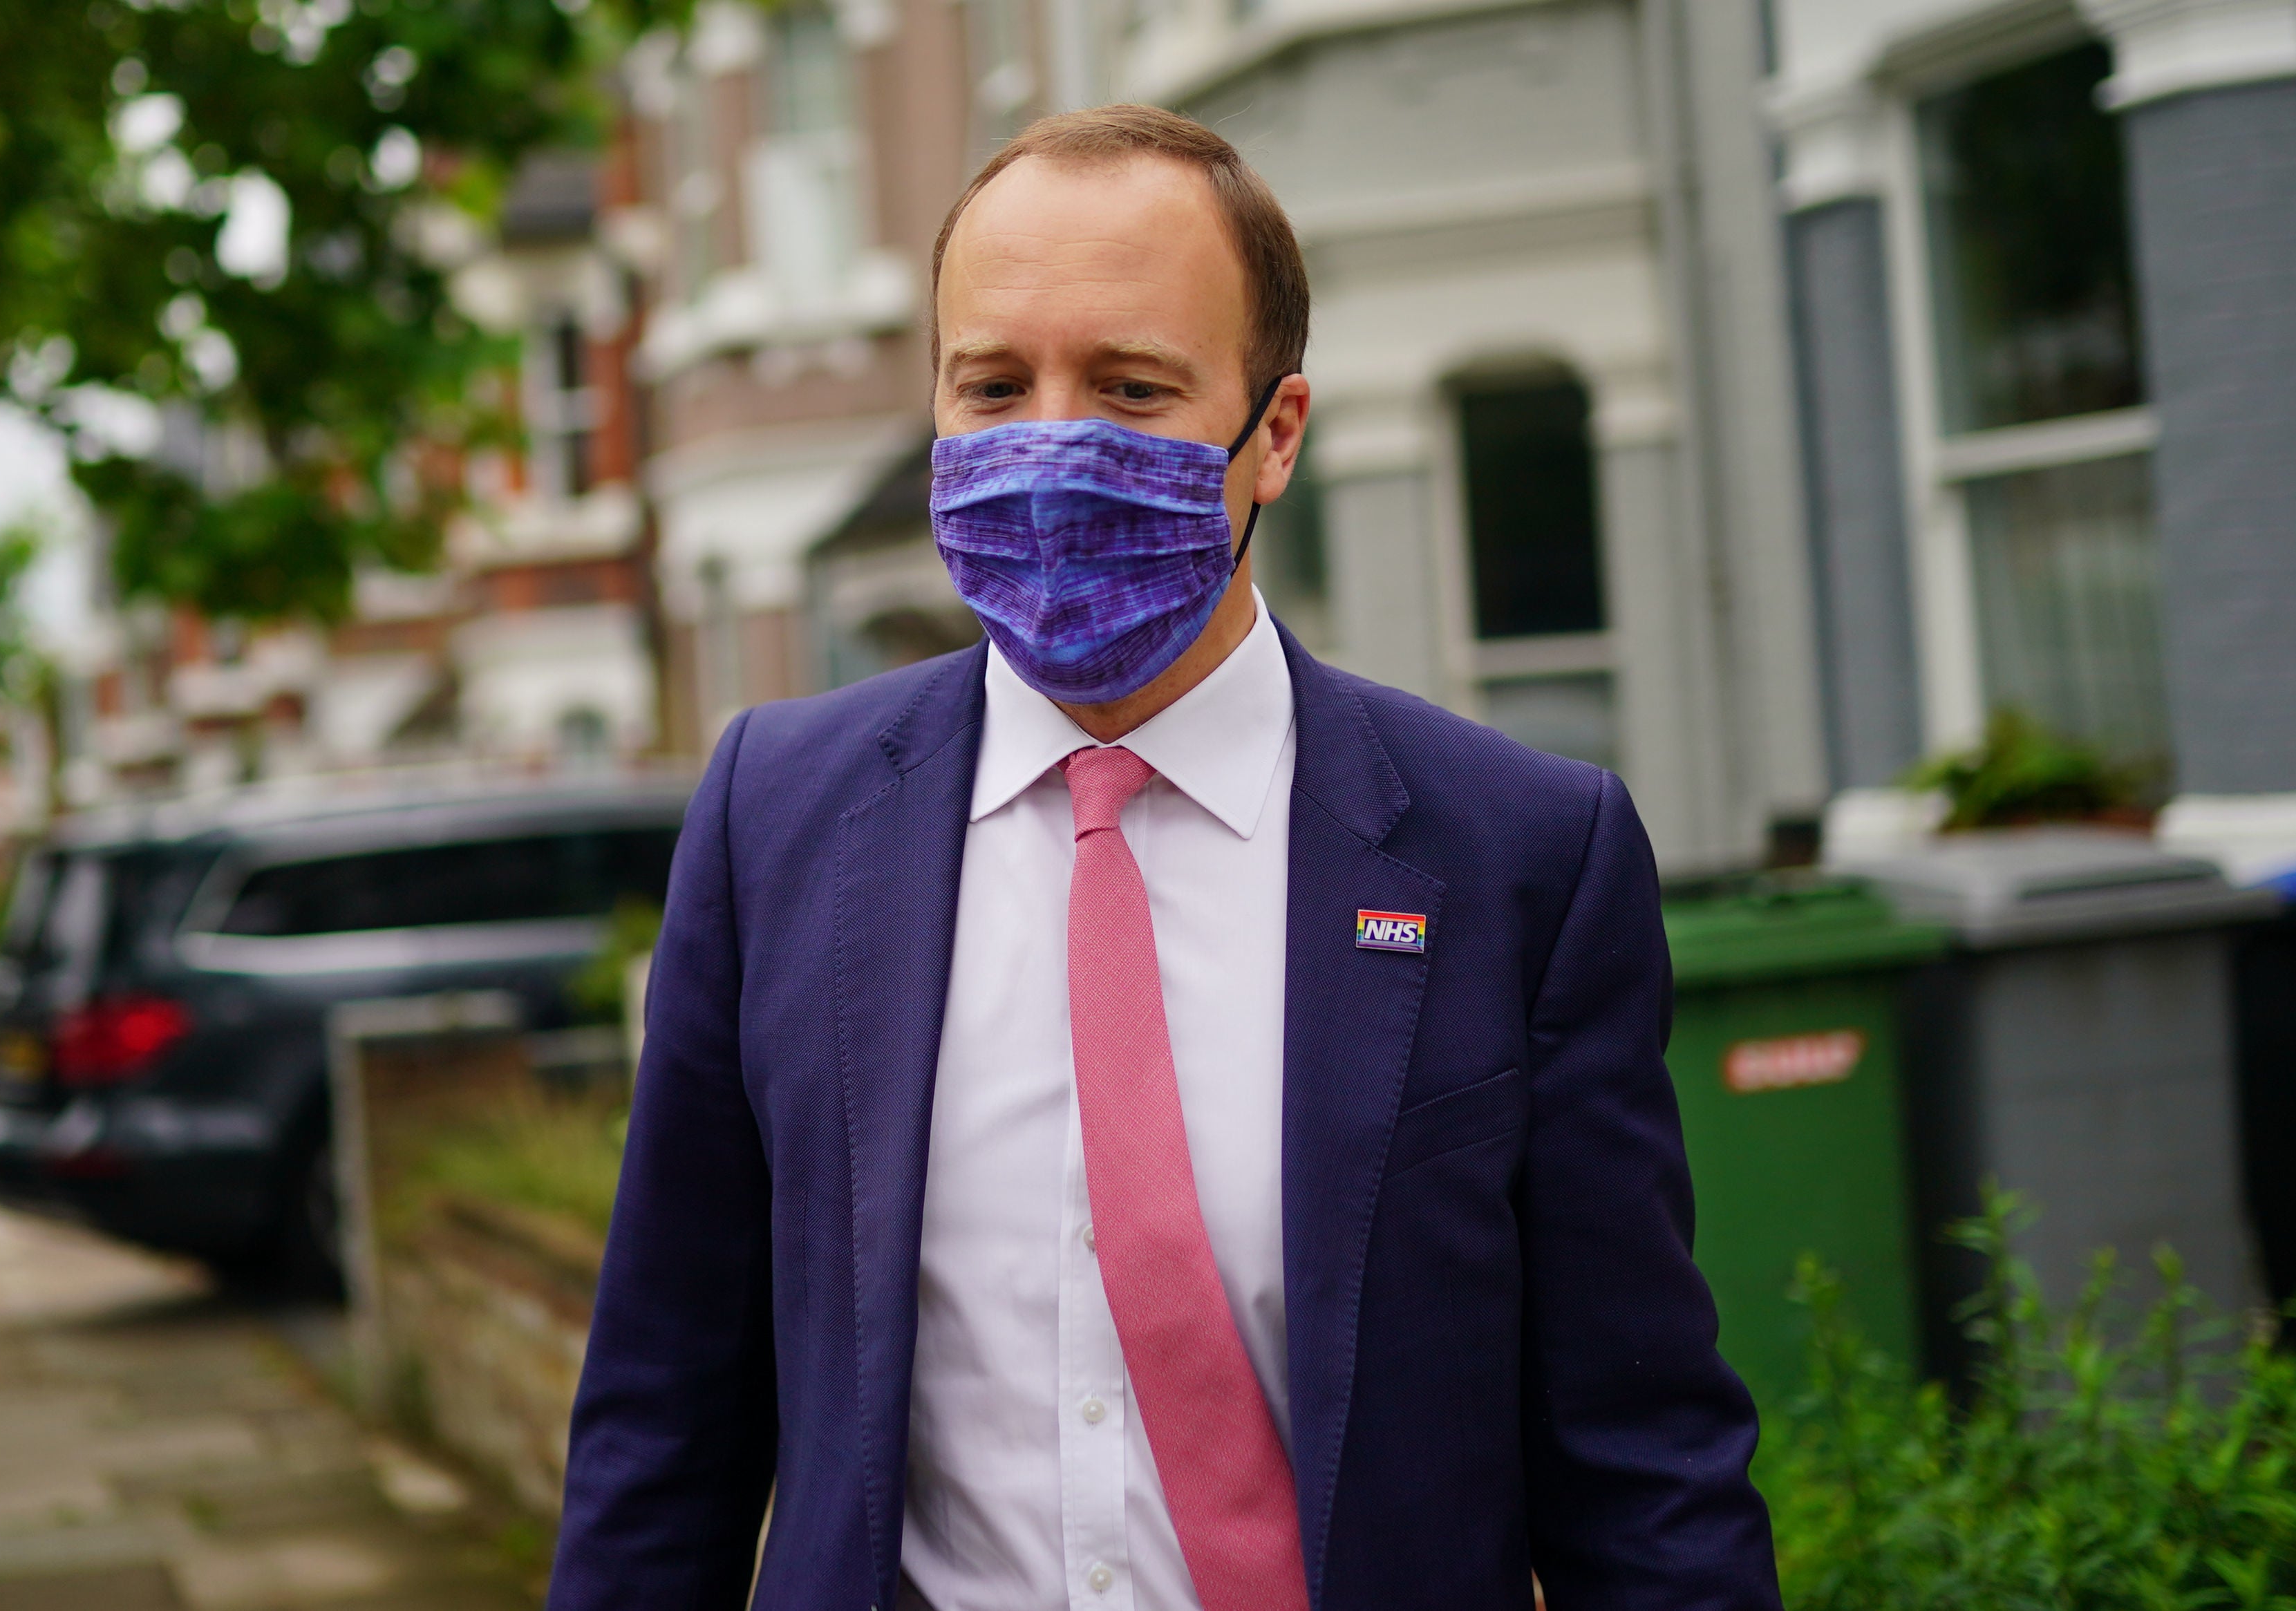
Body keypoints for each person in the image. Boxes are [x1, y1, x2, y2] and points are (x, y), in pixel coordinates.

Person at [547, 105, 1780, 1611]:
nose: (1049, 442)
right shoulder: (775, 819)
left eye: (1130, 389)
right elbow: (662, 1424)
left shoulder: (1523, 855)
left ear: (1275, 432)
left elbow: (1641, 1466)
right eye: (991, 384)